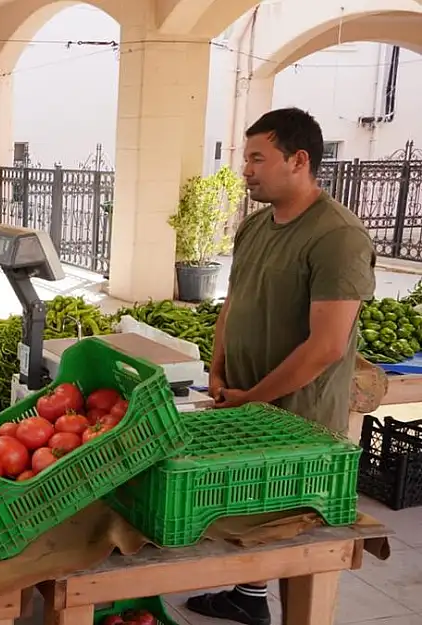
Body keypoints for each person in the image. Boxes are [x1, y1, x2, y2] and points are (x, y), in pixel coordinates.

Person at [185, 108, 376, 625]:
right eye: (246, 158)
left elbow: (327, 346)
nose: (246, 170)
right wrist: (220, 370)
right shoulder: (254, 227)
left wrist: (255, 397)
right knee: (253, 508)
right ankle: (248, 597)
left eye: (257, 159)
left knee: (296, 525)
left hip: (300, 413)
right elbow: (233, 302)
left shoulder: (337, 236)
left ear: (298, 160)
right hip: (245, 399)